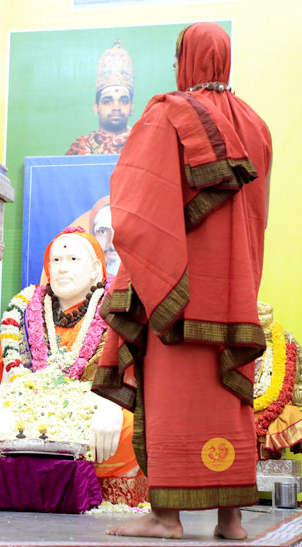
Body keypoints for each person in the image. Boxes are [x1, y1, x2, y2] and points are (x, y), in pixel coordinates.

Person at [92, 23, 272, 539]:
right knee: (228, 397)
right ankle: (231, 520)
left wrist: (143, 278)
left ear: (185, 61)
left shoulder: (168, 112)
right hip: (233, 291)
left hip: (176, 288)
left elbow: (136, 204)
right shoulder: (256, 126)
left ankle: (166, 517)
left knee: (173, 397)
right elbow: (255, 216)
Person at [0, 228, 140, 484]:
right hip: (32, 417)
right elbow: (10, 387)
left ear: (95, 269)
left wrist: (111, 408)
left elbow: (132, 382)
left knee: (131, 431)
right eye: (56, 260)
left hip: (94, 416)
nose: (63, 268)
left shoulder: (119, 308)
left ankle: (28, 472)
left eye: (73, 259)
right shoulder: (23, 312)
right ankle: (51, 471)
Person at [67, 40, 134, 156]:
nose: (116, 107)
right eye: (107, 101)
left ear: (132, 107)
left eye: (123, 101)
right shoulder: (81, 148)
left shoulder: (143, 145)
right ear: (96, 108)